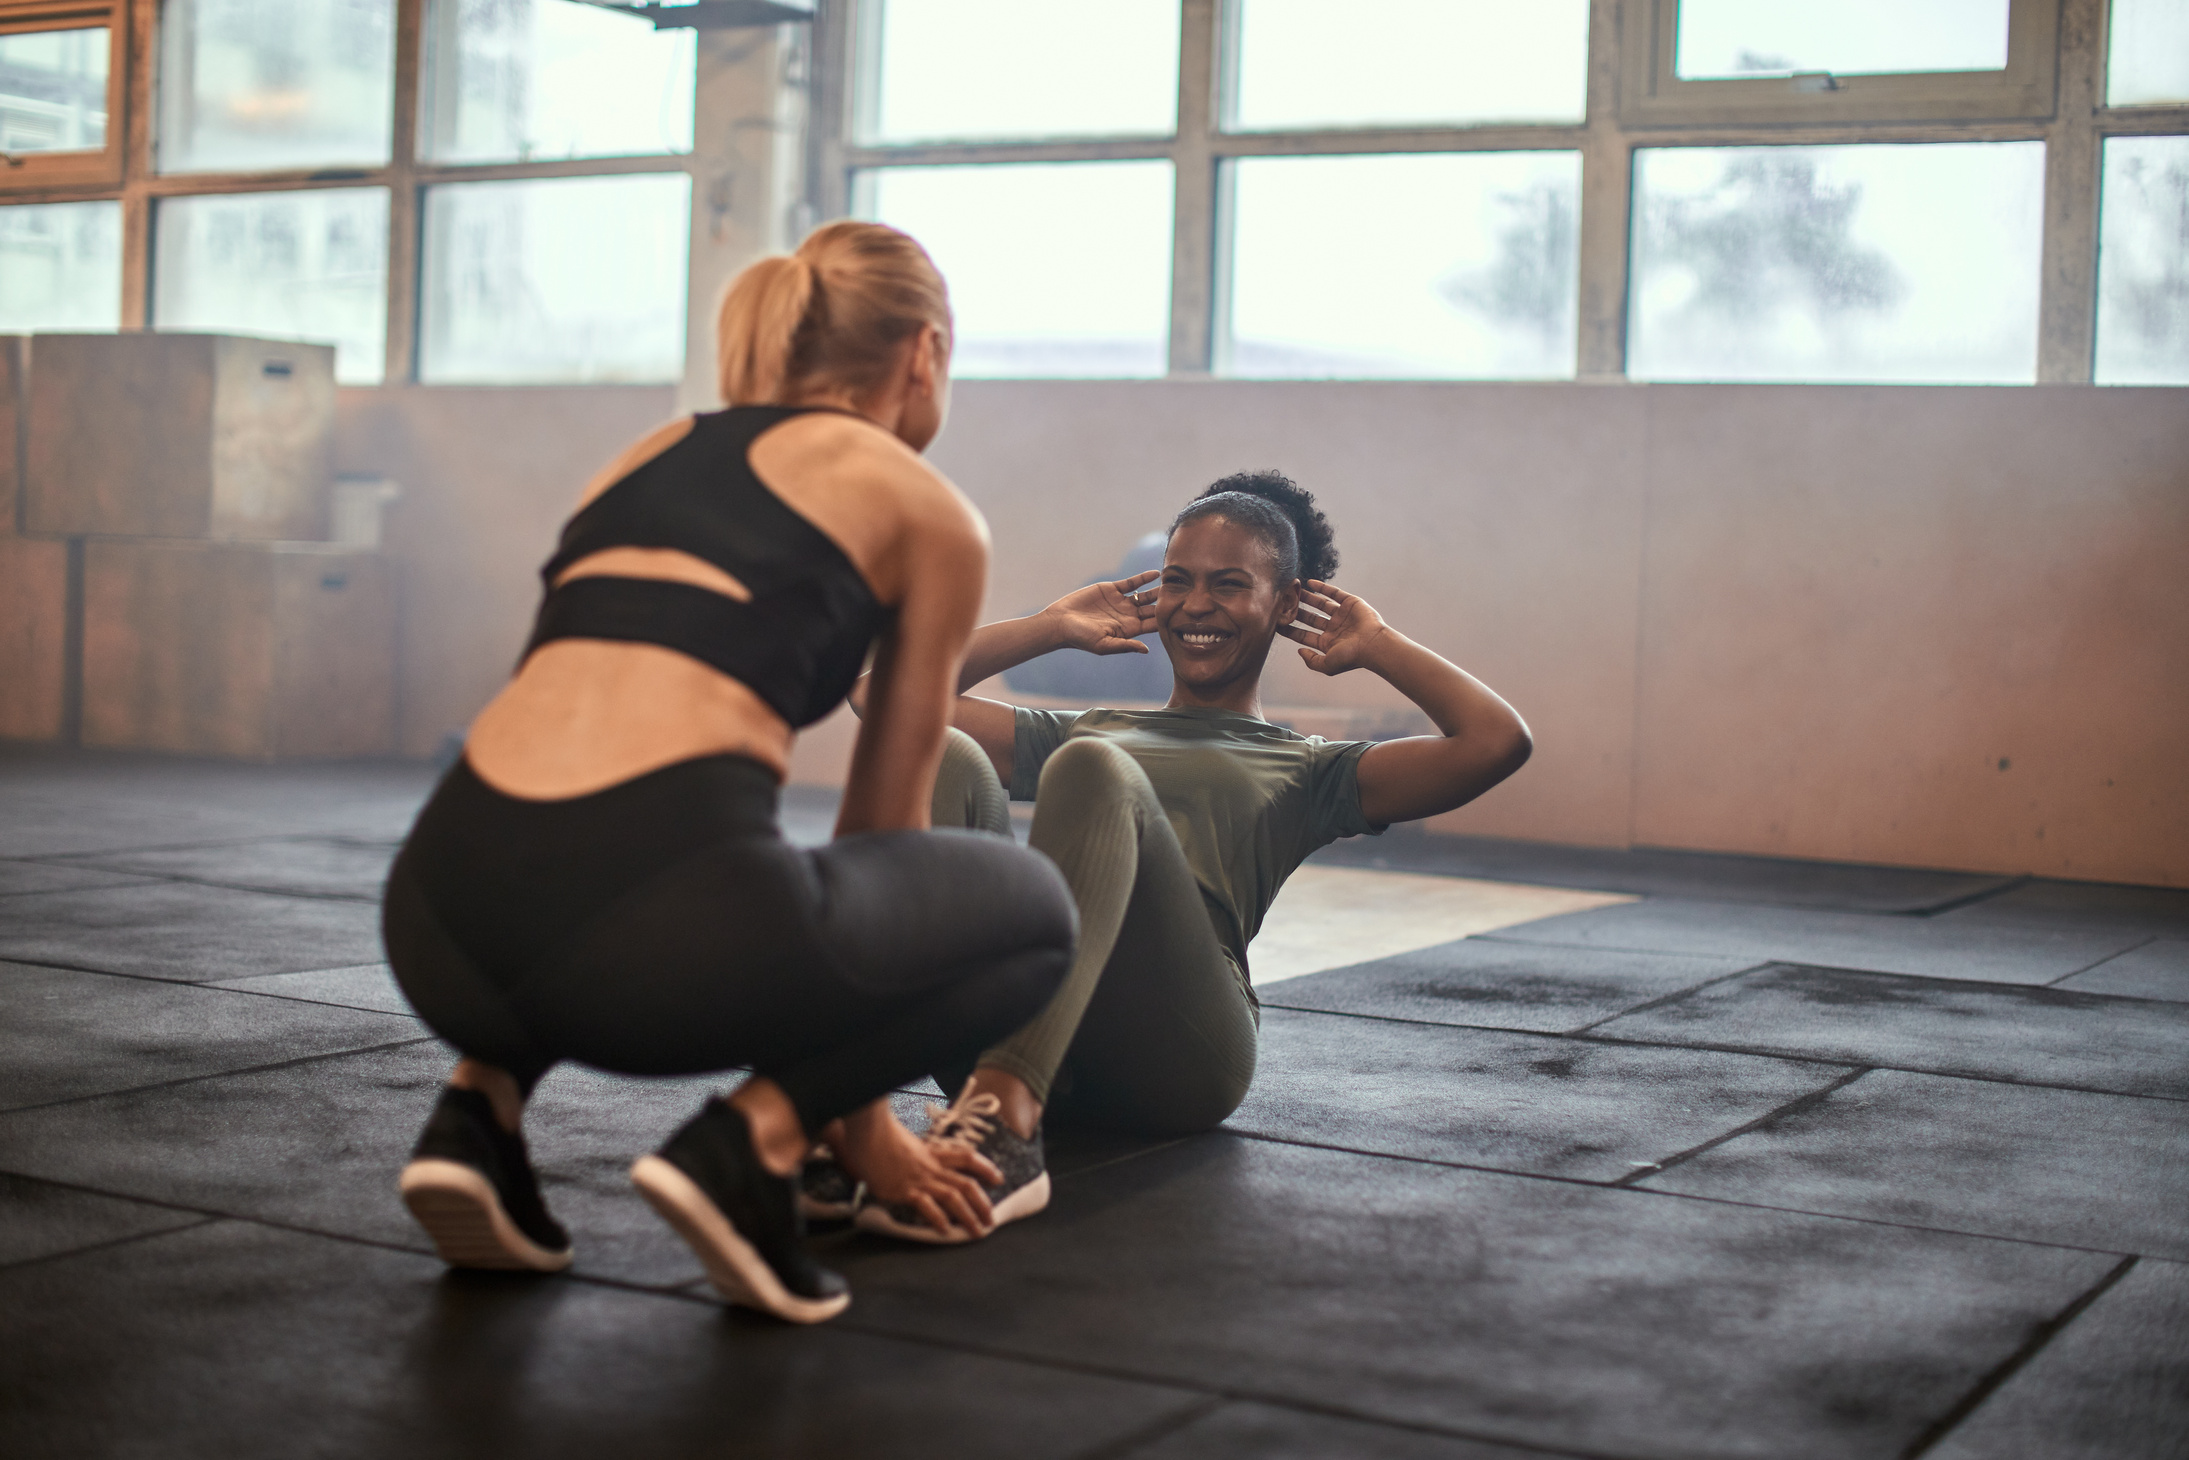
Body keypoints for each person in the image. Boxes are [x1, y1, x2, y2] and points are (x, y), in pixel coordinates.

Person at [381, 221, 1076, 1323]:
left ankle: (476, 1115)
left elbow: (561, 715)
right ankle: (745, 1148)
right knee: (1035, 910)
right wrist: (861, 1134)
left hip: (433, 920)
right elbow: (882, 832)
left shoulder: (645, 455)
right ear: (924, 354)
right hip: (654, 955)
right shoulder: (923, 506)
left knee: (597, 858)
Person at [847, 471, 1531, 1243]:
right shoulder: (1092, 725)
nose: (1195, 605)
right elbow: (882, 696)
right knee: (944, 751)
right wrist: (1046, 625)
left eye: (1229, 584)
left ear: (1284, 604)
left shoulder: (1310, 768)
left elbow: (1494, 742)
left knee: (1092, 767)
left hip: (1176, 1054)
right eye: (1177, 581)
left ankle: (1006, 1121)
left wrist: (1378, 647)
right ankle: (853, 1110)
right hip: (1026, 1024)